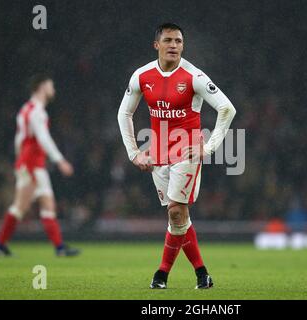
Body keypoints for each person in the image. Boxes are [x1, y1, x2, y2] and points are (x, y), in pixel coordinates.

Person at [117, 23, 236, 289]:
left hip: (187, 151)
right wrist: (133, 153)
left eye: (179, 41)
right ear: (156, 45)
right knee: (180, 218)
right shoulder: (141, 75)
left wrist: (209, 148)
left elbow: (227, 109)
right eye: (168, 40)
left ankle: (161, 275)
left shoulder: (194, 76)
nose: (174, 45)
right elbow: (124, 113)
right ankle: (202, 274)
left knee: (176, 212)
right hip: (158, 153)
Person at [0, 74, 80, 257]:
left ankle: (59, 248)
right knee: (20, 207)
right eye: (50, 86)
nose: (53, 89)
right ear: (41, 87)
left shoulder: (26, 109)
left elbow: (19, 140)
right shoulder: (37, 112)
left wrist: (20, 160)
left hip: (31, 164)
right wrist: (60, 160)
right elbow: (43, 138)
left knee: (46, 206)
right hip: (32, 165)